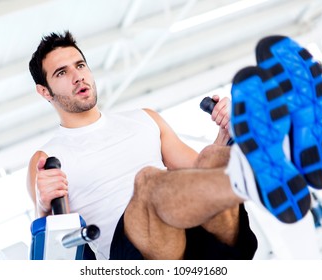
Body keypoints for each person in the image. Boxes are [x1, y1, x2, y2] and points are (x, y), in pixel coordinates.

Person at [27, 31, 258, 260]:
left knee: (211, 156)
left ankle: (264, 163)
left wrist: (225, 135)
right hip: (136, 256)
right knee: (147, 181)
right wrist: (43, 204)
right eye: (61, 73)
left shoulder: (144, 118)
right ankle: (254, 176)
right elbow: (56, 250)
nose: (77, 77)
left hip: (204, 240)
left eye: (80, 65)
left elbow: (198, 174)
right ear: (45, 91)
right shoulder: (47, 159)